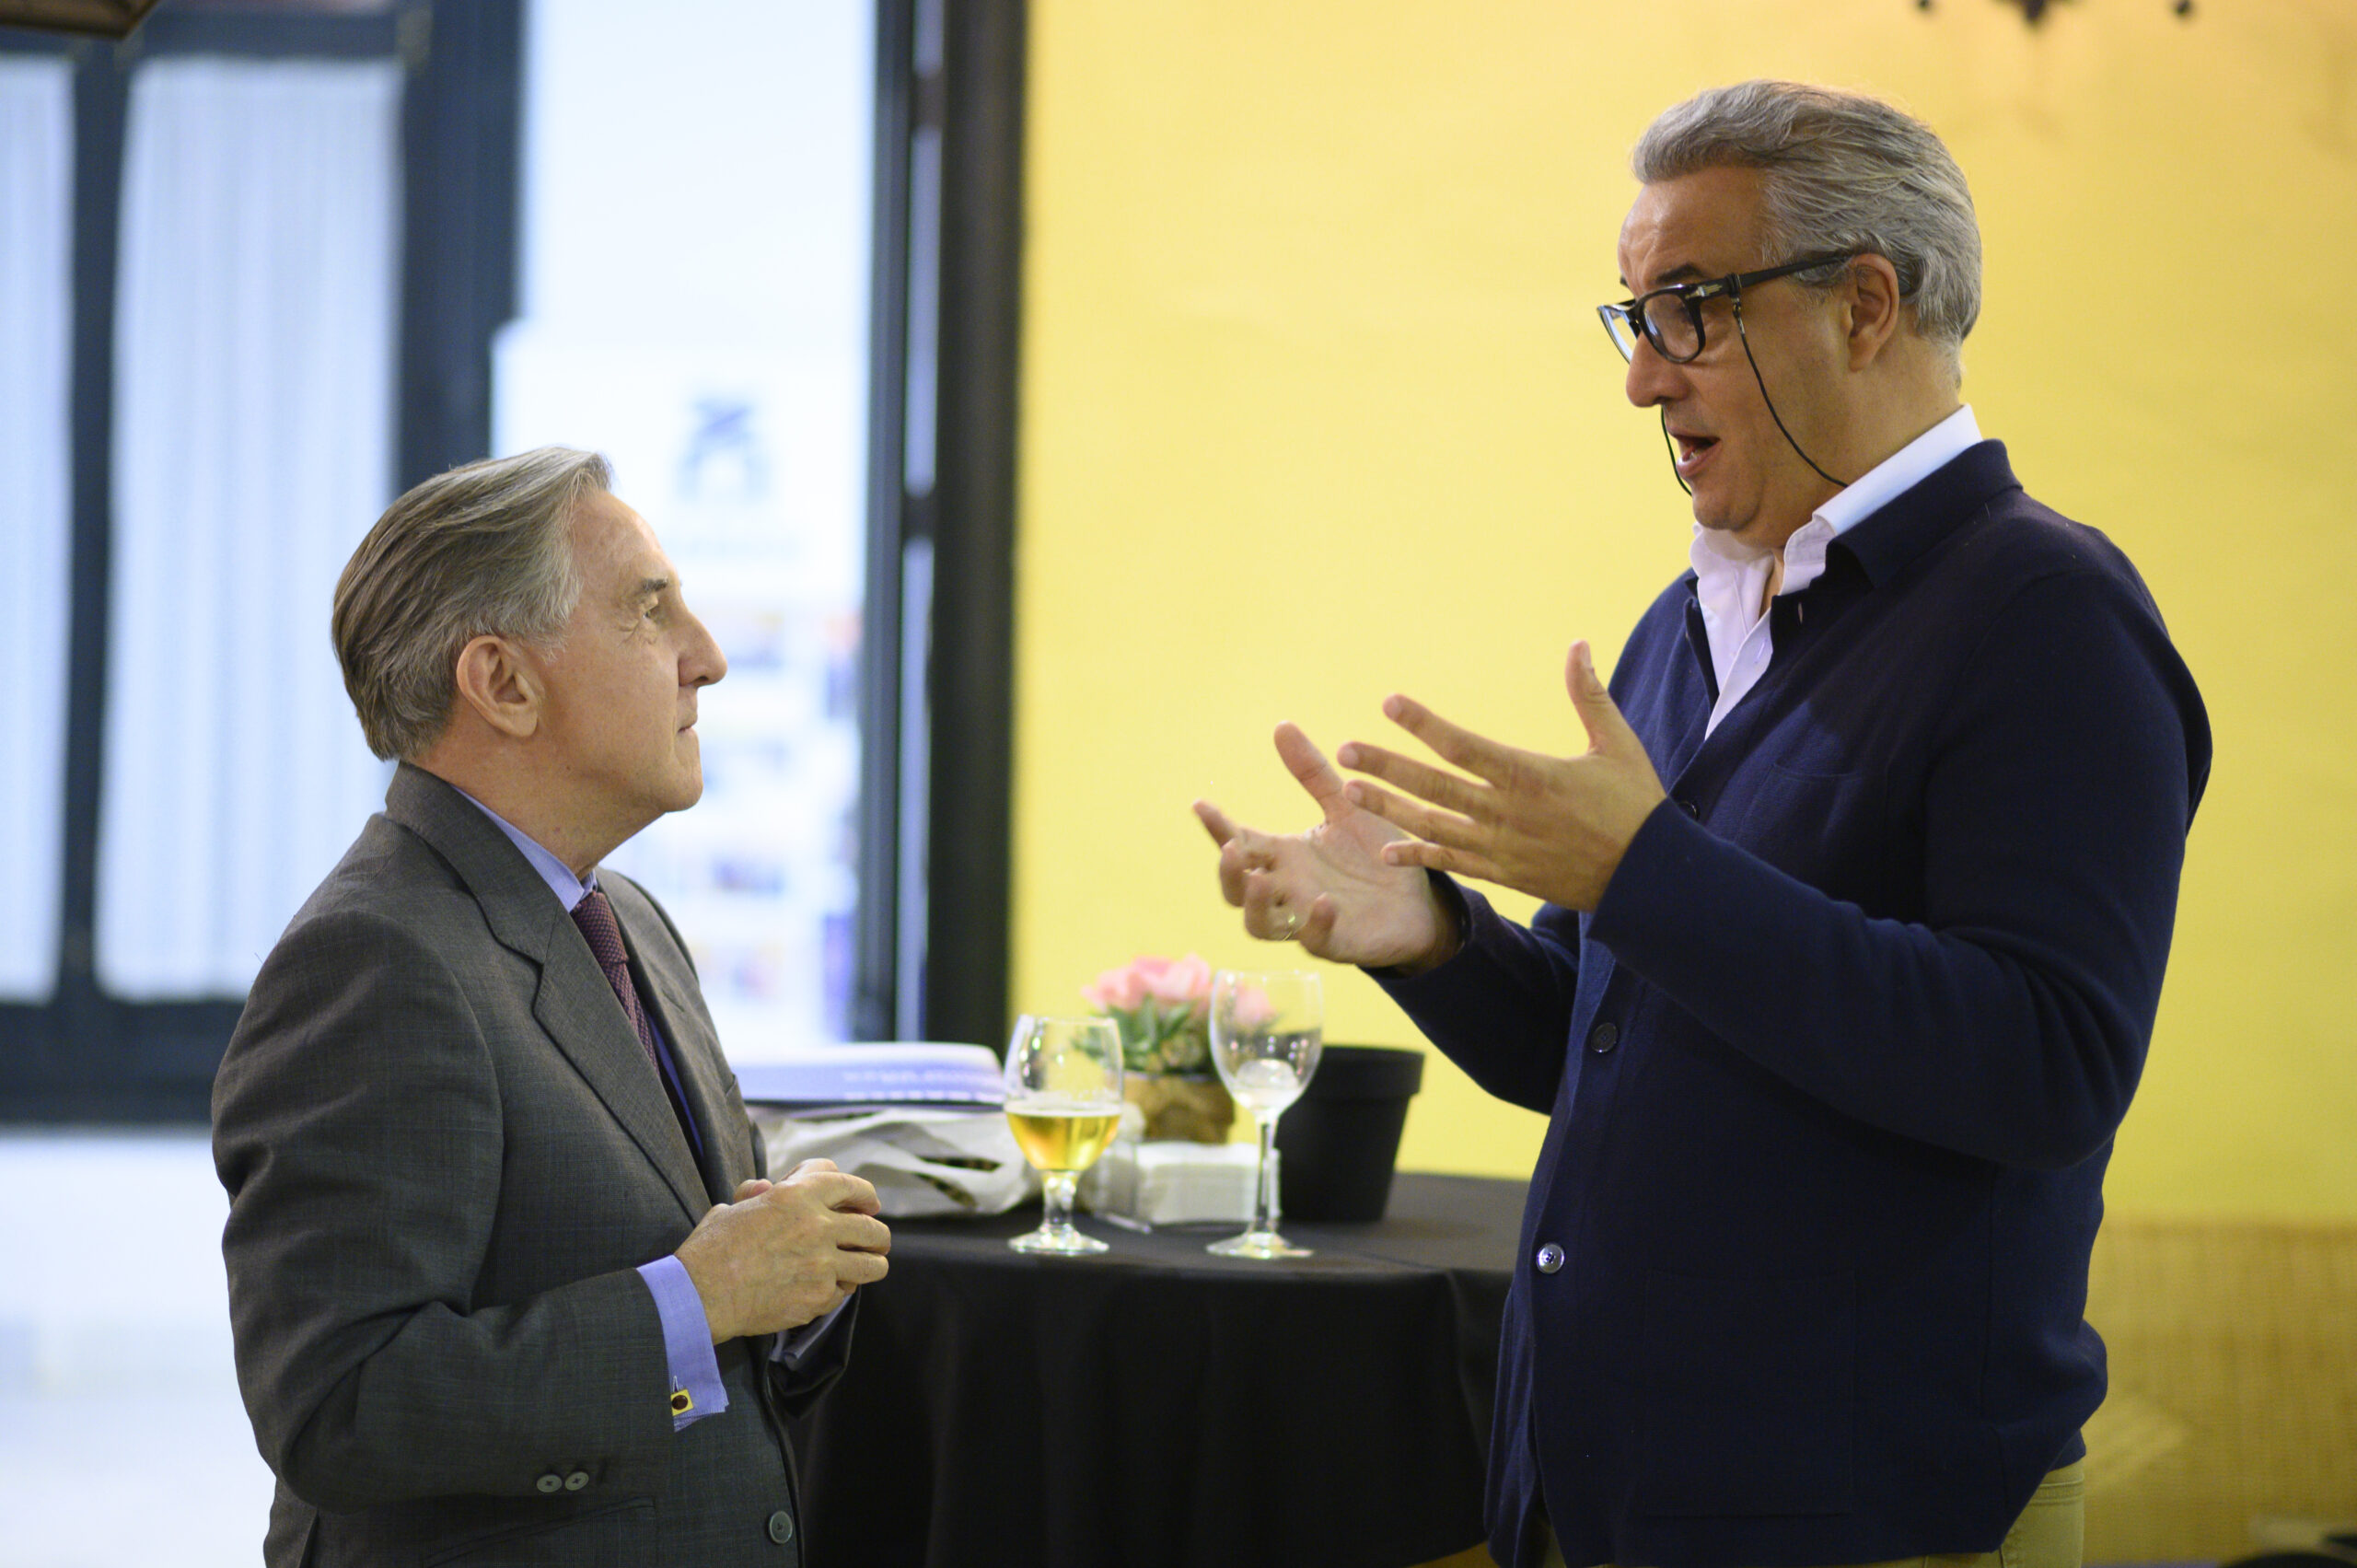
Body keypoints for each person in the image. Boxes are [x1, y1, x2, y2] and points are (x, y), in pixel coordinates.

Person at [1197, 81, 2209, 1568]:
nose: (1641, 378)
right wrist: (1432, 937)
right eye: (1635, 317)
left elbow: (2046, 1065)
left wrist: (1648, 872)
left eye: (1690, 310)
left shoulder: (2047, 615)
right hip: (1597, 1489)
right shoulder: (1694, 619)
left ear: (1865, 306)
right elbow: (1592, 1038)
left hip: (1859, 1513)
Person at [213, 448, 889, 1566]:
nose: (709, 658)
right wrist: (700, 1297)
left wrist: (795, 1263)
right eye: (649, 609)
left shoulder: (627, 918)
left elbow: (703, 1295)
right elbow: (340, 1403)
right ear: (504, 683)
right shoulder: (372, 957)